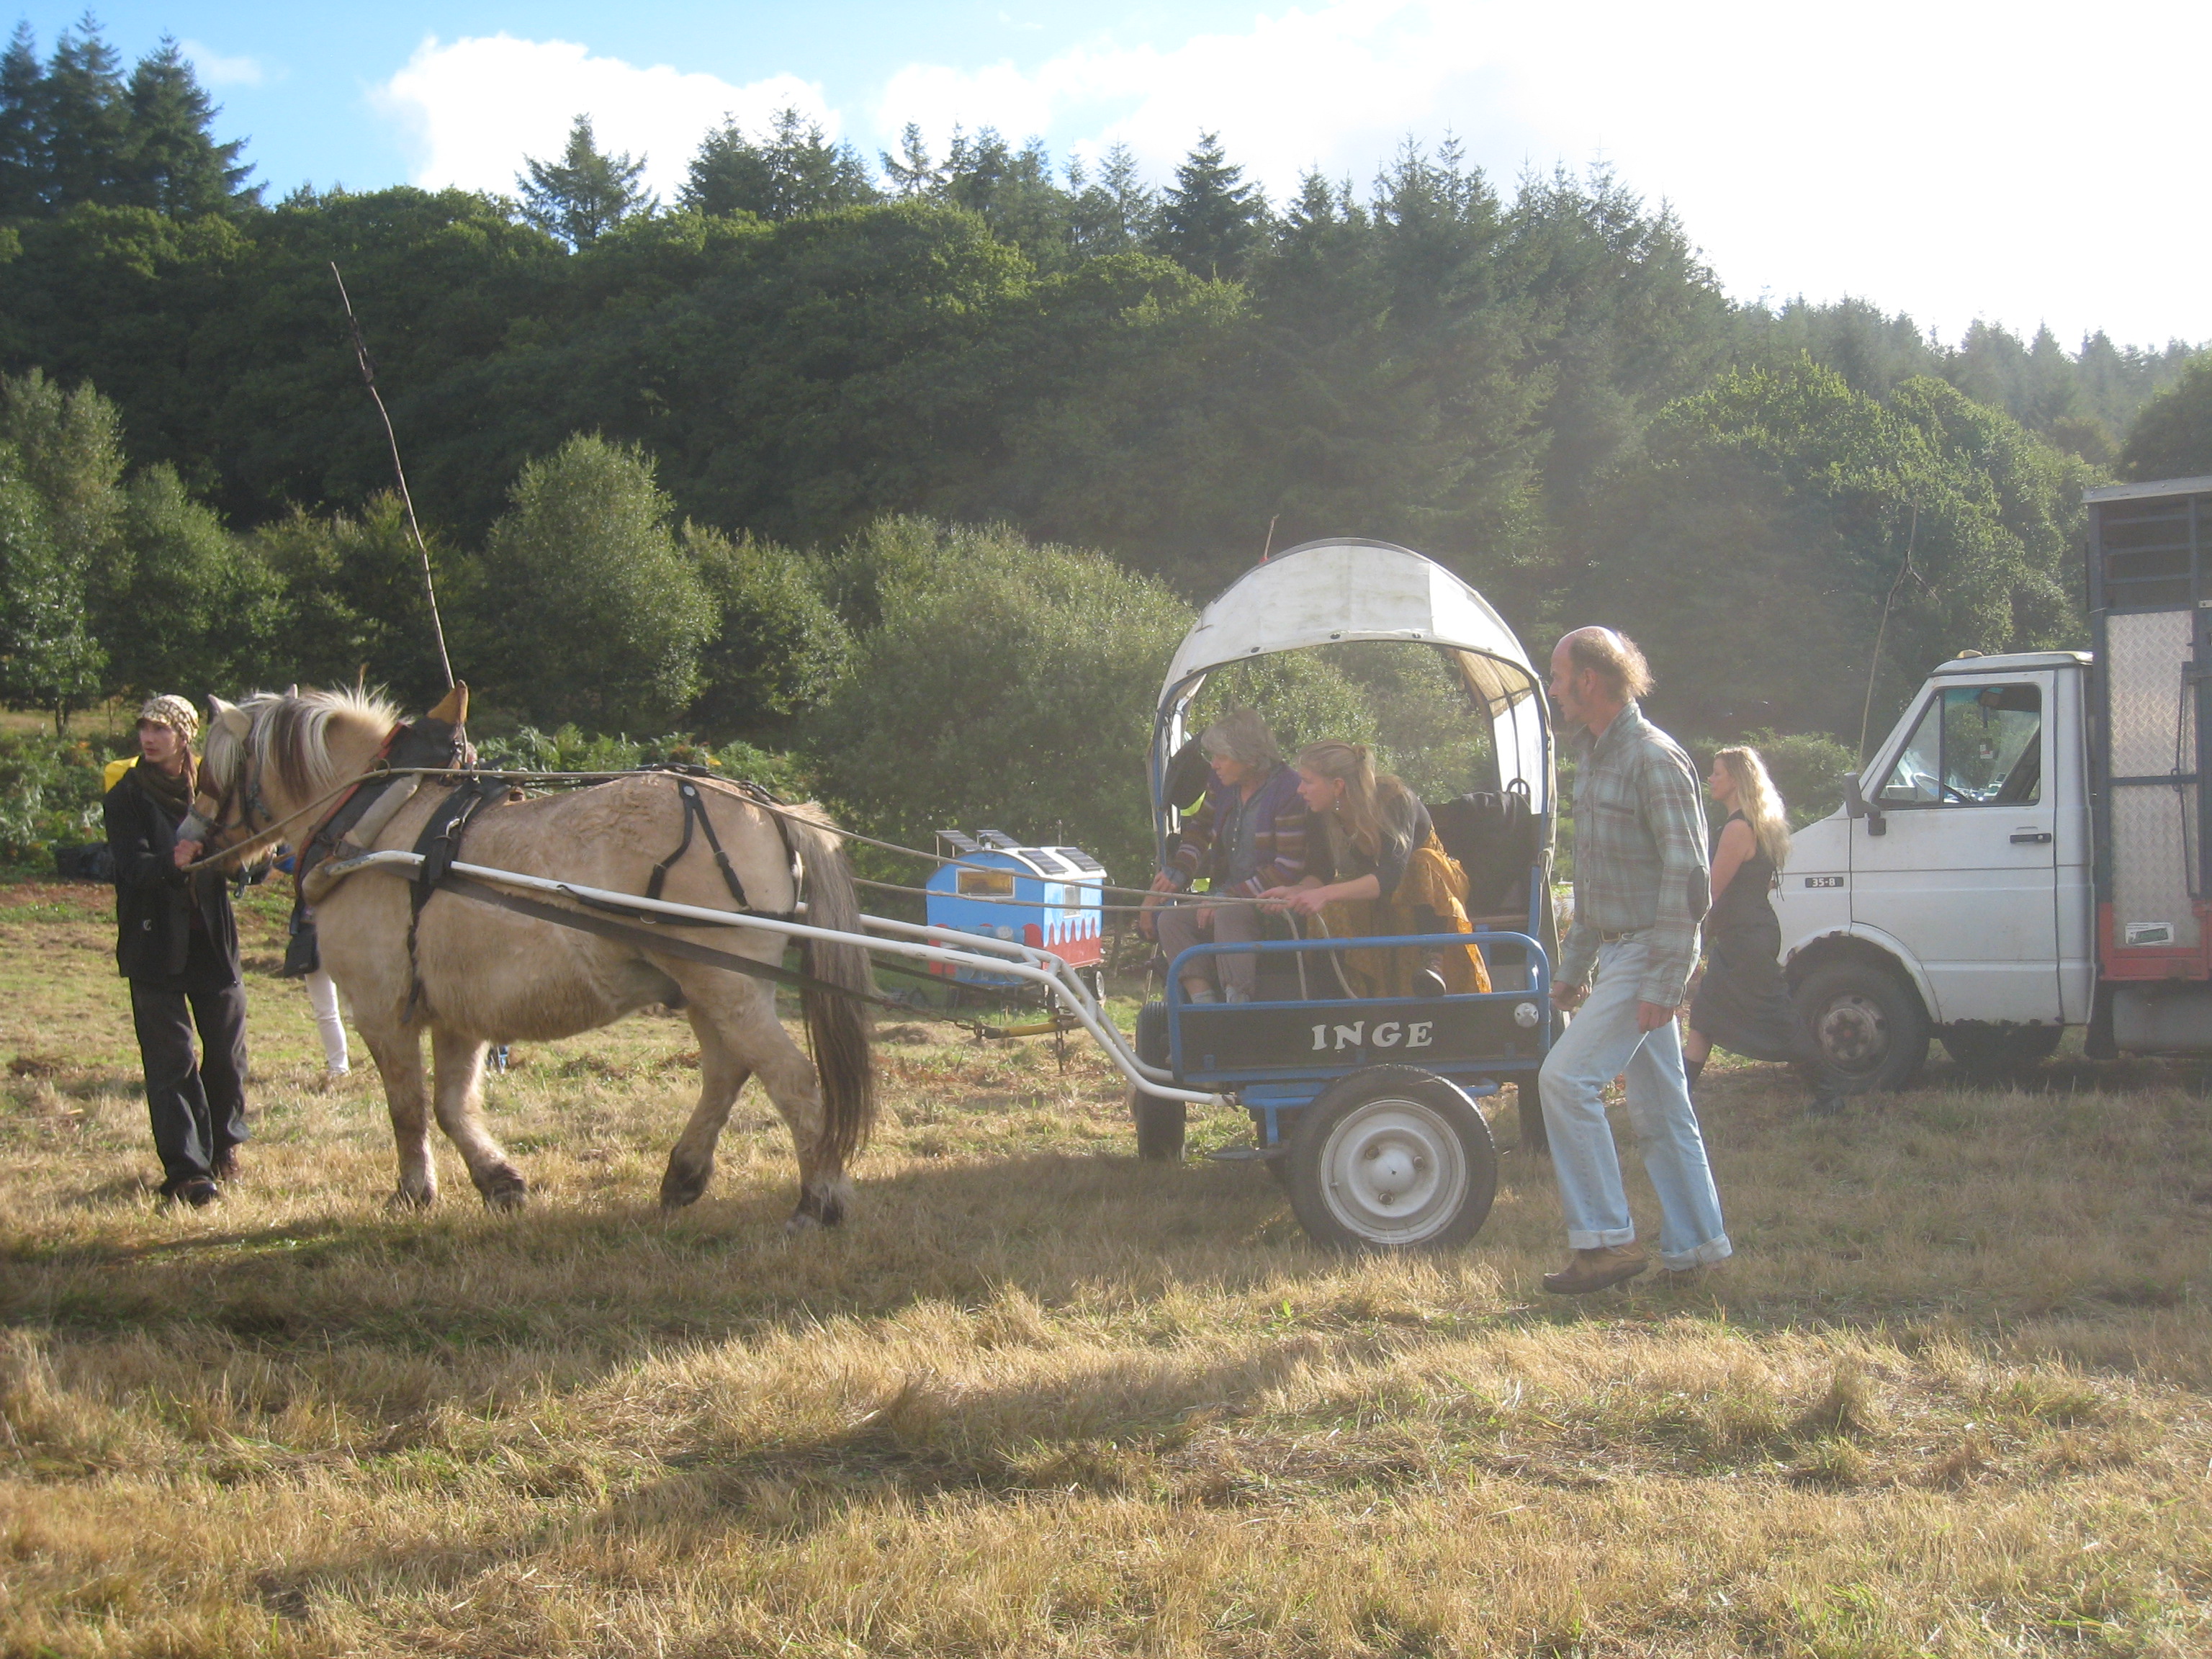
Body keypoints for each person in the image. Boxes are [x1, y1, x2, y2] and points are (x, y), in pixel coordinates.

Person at [1537, 628, 1728, 1294]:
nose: (1553, 689)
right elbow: (1598, 879)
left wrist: (1665, 981)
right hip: (1622, 952)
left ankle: (1605, 1244)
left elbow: (1689, 878)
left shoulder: (1654, 758)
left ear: (1590, 680)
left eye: (1558, 676)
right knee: (1662, 1111)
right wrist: (1572, 969)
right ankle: (1698, 1250)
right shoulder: (1595, 757)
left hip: (1648, 954)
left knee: (1565, 1081)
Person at [103, 695, 250, 1208]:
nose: (149, 737)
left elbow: (241, 852)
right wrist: (174, 860)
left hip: (212, 940)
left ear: (185, 735)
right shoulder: (125, 794)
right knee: (172, 1061)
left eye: (161, 729)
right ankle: (188, 1172)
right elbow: (130, 867)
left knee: (227, 1054)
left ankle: (225, 1146)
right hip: (153, 944)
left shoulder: (211, 789)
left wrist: (248, 860)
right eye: (145, 727)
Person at [1261, 741, 1492, 997]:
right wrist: (1297, 891)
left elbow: (1391, 875)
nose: (1300, 789)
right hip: (1372, 888)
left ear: (1337, 786)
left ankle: (1433, 963)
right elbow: (1321, 872)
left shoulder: (1394, 799)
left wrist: (1324, 894)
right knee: (1328, 906)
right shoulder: (1320, 813)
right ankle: (1337, 997)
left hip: (1431, 887)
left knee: (1423, 861)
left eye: (1307, 781)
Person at [1683, 746, 1833, 1110]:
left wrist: (1684, 926)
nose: (1710, 779)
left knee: (1777, 1018)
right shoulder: (1755, 824)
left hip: (1746, 940)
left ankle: (1830, 1094)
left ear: (1735, 780)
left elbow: (1711, 892)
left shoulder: (1737, 829)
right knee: (1703, 1017)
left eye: (1717, 773)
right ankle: (1679, 1102)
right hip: (1745, 935)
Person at [1146, 711, 1307, 1004]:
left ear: (1250, 759)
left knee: (1229, 914)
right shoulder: (1222, 784)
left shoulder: (1289, 791)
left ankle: (1237, 1002)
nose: (1214, 764)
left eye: (1222, 757)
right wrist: (1180, 870)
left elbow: (1287, 869)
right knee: (1171, 920)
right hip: (1226, 896)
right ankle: (1202, 1002)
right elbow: (1200, 829)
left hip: (1274, 903)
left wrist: (1227, 897)